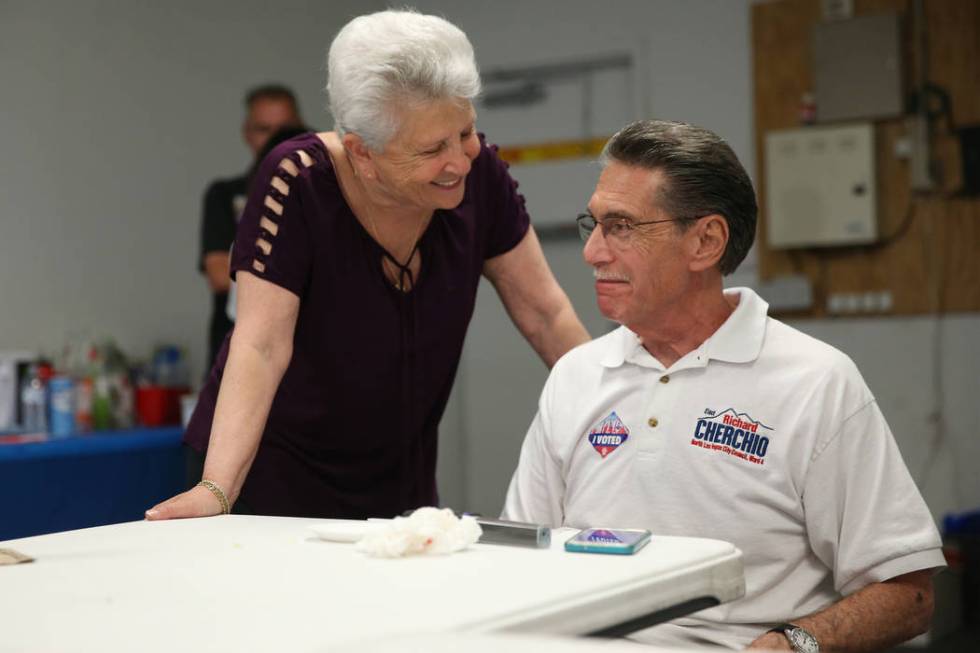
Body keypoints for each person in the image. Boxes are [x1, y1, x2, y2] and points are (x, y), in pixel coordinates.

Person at [502, 120, 944, 651]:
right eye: (592, 224)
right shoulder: (576, 375)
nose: (593, 252)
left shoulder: (814, 381)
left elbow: (907, 594)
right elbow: (521, 558)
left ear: (706, 241)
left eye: (620, 226)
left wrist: (794, 642)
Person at [148, 9, 589, 521]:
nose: (461, 160)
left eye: (466, 132)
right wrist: (217, 490)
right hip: (268, 478)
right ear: (362, 153)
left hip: (398, 477)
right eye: (432, 148)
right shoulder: (298, 181)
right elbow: (262, 345)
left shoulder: (480, 175)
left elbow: (545, 314)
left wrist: (612, 410)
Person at [199, 85, 304, 370]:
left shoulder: (332, 198)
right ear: (247, 133)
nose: (277, 139)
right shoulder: (225, 195)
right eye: (264, 129)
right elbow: (220, 274)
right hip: (239, 353)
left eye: (286, 129)